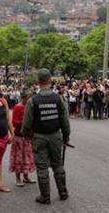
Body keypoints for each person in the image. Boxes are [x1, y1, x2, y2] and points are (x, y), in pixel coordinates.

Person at [21, 69, 71, 205]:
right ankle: (63, 192)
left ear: (38, 81)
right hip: (55, 136)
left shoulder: (33, 101)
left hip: (39, 137)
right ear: (50, 80)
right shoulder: (58, 98)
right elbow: (65, 121)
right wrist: (66, 137)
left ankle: (45, 196)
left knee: (42, 167)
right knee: (58, 164)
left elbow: (26, 123)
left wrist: (26, 135)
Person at [9, 89, 36, 187]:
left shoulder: (31, 107)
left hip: (29, 136)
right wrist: (26, 122)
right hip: (19, 136)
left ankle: (26, 176)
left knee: (27, 158)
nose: (30, 100)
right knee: (18, 158)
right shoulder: (18, 107)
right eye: (28, 98)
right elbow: (14, 122)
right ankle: (18, 178)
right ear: (23, 98)